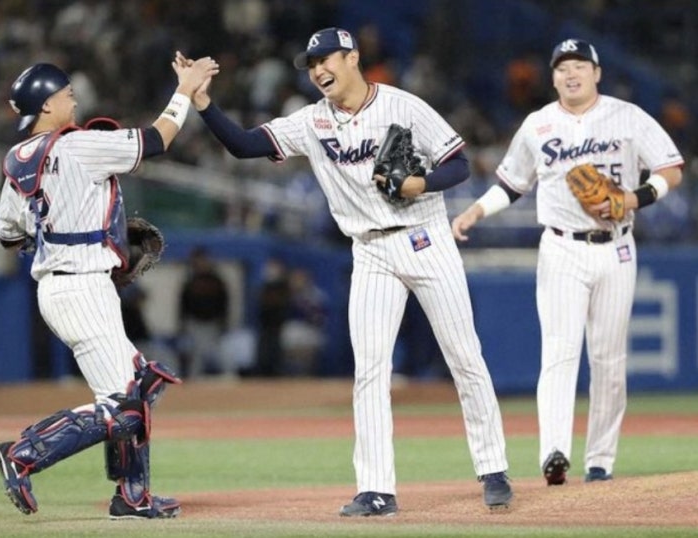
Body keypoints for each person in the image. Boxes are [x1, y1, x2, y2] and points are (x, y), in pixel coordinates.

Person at [182, 26, 513, 514]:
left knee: (464, 356)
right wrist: (205, 103)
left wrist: (419, 183)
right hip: (370, 251)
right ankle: (376, 488)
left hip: (424, 237)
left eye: (326, 59)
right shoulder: (312, 121)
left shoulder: (404, 106)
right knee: (371, 370)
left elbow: (460, 166)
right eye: (311, 64)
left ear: (353, 58)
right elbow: (245, 146)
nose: (318, 70)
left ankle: (493, 469)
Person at [0, 55, 219, 518]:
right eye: (66, 92)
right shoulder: (80, 147)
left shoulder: (19, 160)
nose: (73, 96)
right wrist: (185, 91)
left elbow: (10, 234)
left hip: (62, 286)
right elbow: (157, 139)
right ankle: (22, 453)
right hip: (81, 288)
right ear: (46, 104)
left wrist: (74, 228)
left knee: (141, 384)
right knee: (123, 407)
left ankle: (132, 496)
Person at [451, 39, 684, 486]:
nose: (570, 74)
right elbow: (512, 183)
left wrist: (634, 198)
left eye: (579, 66)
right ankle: (554, 451)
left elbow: (671, 168)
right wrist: (477, 210)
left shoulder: (628, 116)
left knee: (609, 360)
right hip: (561, 248)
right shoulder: (538, 125)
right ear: (553, 77)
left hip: (617, 248)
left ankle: (600, 461)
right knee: (559, 352)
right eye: (562, 68)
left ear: (596, 73)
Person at [177, 246, 230, 378]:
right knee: (196, 355)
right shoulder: (190, 282)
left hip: (212, 323)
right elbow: (183, 305)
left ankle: (228, 376)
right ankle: (193, 380)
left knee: (219, 352)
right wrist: (182, 324)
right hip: (195, 323)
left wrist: (224, 322)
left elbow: (224, 302)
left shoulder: (217, 281)